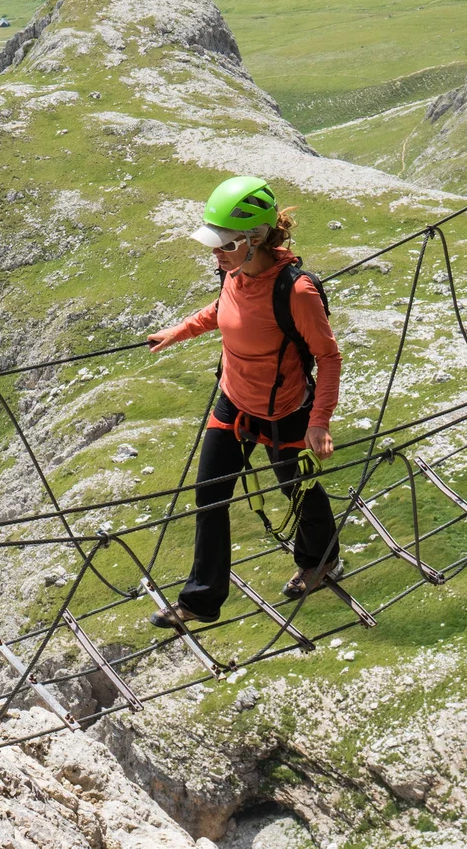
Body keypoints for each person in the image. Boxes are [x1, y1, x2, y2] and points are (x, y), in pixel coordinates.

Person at [145, 176, 343, 627]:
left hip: (286, 411)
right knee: (209, 497)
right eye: (214, 244)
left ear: (256, 240)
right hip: (234, 405)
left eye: (226, 245)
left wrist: (319, 421)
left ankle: (322, 561)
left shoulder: (296, 291)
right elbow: (223, 311)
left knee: (297, 489)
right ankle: (200, 601)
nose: (216, 254)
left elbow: (328, 357)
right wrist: (179, 331)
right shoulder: (233, 273)